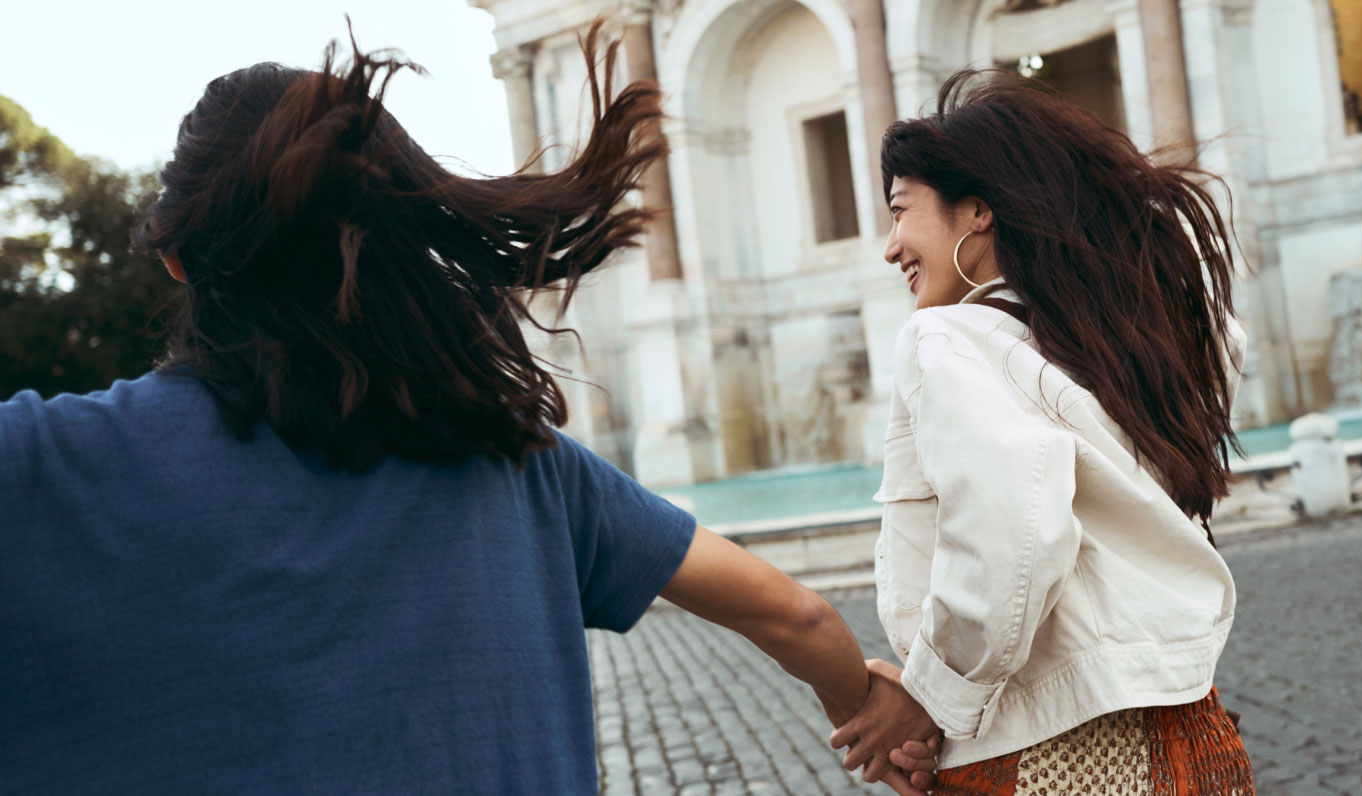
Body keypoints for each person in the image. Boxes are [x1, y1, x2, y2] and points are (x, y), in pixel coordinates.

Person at [0, 28, 934, 795]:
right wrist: (869, 701)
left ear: (175, 256)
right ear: (392, 232)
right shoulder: (517, 461)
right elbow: (799, 618)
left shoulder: (40, 468)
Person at [828, 71, 1256, 795]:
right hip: (1196, 738)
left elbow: (1011, 532)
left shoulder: (947, 338)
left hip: (1044, 757)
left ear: (977, 212)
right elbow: (1223, 341)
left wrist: (931, 698)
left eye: (902, 213)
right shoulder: (1115, 341)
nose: (891, 245)